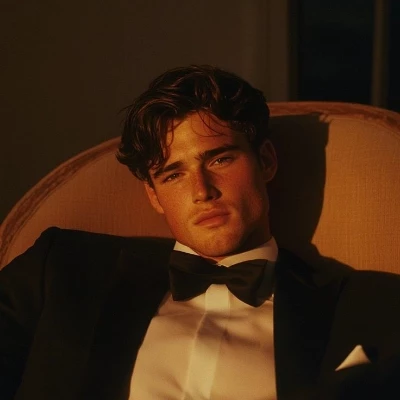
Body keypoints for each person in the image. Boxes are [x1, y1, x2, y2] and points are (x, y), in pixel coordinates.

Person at [1, 65, 399, 400]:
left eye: (220, 159)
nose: (202, 191)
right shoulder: (60, 269)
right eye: (173, 175)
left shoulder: (373, 307)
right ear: (154, 196)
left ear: (265, 161)